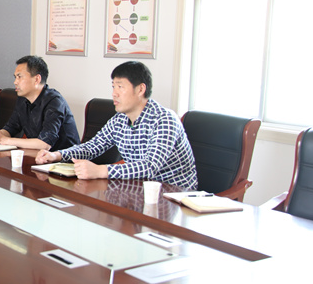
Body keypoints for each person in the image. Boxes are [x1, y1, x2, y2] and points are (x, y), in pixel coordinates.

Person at [35, 61, 198, 190]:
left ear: (140, 89)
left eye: (120, 87)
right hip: (138, 190)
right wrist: (57, 155)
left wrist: (100, 170)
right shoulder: (119, 119)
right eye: (113, 87)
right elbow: (93, 146)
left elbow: (149, 167)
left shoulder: (164, 119)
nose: (114, 93)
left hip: (174, 196)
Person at [0, 55, 79, 150]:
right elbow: (11, 128)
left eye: (19, 77)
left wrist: (7, 140)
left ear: (37, 79)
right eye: (15, 77)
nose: (15, 82)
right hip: (39, 155)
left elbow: (45, 143)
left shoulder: (55, 101)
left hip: (66, 157)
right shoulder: (22, 99)